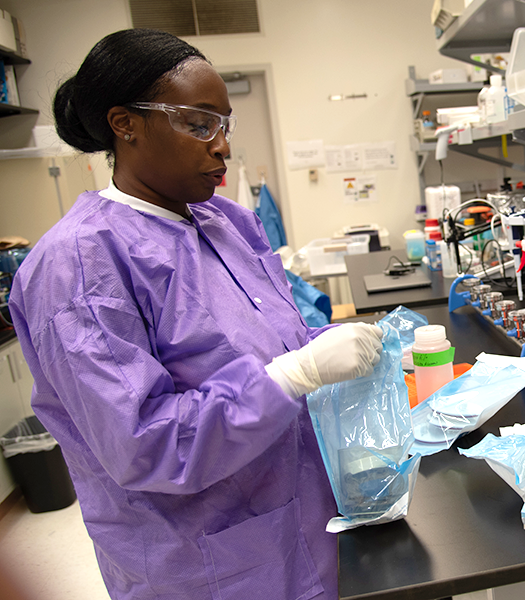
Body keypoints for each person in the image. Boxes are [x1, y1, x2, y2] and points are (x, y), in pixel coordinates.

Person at [8, 29, 383, 600]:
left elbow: (265, 342)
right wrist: (296, 374)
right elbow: (145, 444)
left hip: (303, 518)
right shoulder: (79, 267)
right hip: (205, 559)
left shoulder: (225, 223)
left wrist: (330, 345)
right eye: (198, 122)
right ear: (124, 123)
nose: (222, 145)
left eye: (225, 124)